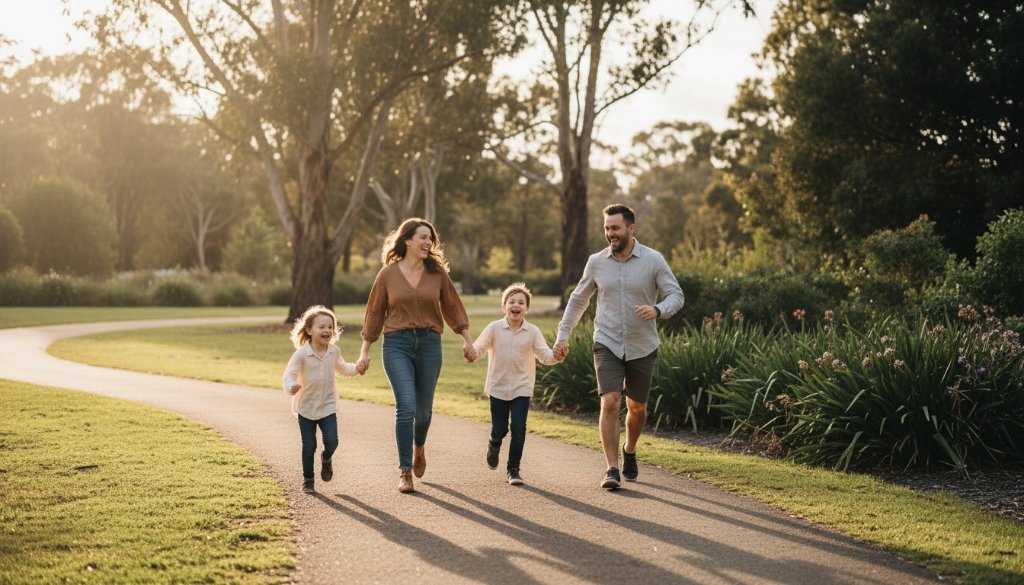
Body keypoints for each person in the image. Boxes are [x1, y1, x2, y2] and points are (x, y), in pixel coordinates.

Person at [553, 203, 684, 489]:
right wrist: (563, 335)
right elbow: (578, 299)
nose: (610, 233)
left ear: (631, 228)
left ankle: (630, 450)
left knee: (636, 408)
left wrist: (658, 310)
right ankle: (611, 468)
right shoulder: (596, 262)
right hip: (607, 341)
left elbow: (676, 294)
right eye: (606, 228)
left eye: (615, 228)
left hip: (642, 345)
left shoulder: (653, 260)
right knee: (610, 401)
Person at [357, 218, 476, 494]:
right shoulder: (387, 274)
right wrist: (365, 351)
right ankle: (405, 470)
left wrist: (467, 340)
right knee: (406, 408)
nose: (428, 243)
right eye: (423, 237)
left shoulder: (437, 273)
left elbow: (452, 307)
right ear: (407, 240)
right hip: (396, 344)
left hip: (429, 345)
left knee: (422, 413)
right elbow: (375, 312)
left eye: (430, 238)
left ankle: (418, 447)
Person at [470, 282, 562, 486]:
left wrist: (557, 356)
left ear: (526, 308)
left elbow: (545, 356)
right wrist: (471, 353)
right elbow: (479, 348)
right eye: (511, 301)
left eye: (521, 302)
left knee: (519, 428)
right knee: (500, 429)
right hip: (498, 387)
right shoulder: (494, 328)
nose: (516, 305)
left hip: (522, 386)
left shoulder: (532, 331)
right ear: (504, 307)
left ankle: (513, 469)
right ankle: (494, 443)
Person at [283, 305, 363, 494]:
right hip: (306, 407)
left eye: (330, 327)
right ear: (309, 330)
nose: (327, 330)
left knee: (332, 441)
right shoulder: (301, 354)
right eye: (322, 327)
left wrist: (358, 368)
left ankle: (326, 459)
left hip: (327, 406)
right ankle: (308, 480)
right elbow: (289, 376)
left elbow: (343, 369)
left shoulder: (334, 351)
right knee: (309, 446)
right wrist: (291, 387)